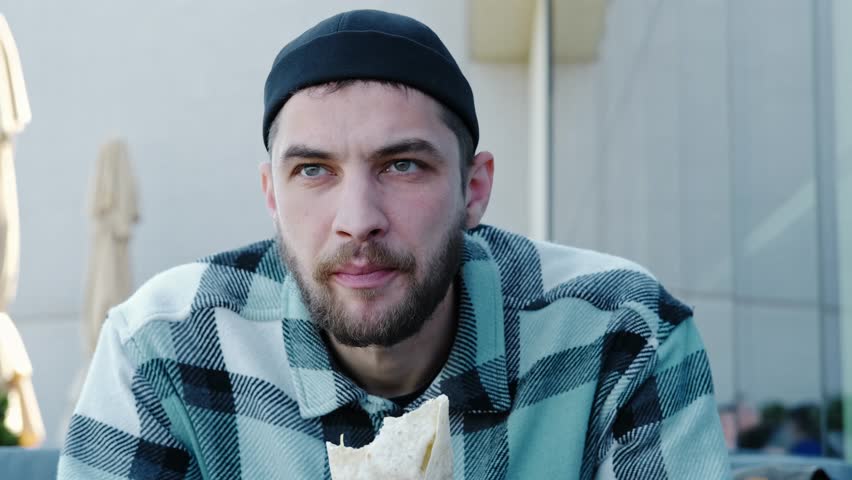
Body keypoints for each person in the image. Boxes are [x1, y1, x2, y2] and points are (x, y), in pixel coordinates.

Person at [58, 9, 730, 479]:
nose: (358, 219)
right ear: (271, 194)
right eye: (313, 170)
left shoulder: (626, 335)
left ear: (475, 188)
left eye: (403, 165)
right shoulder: (162, 347)